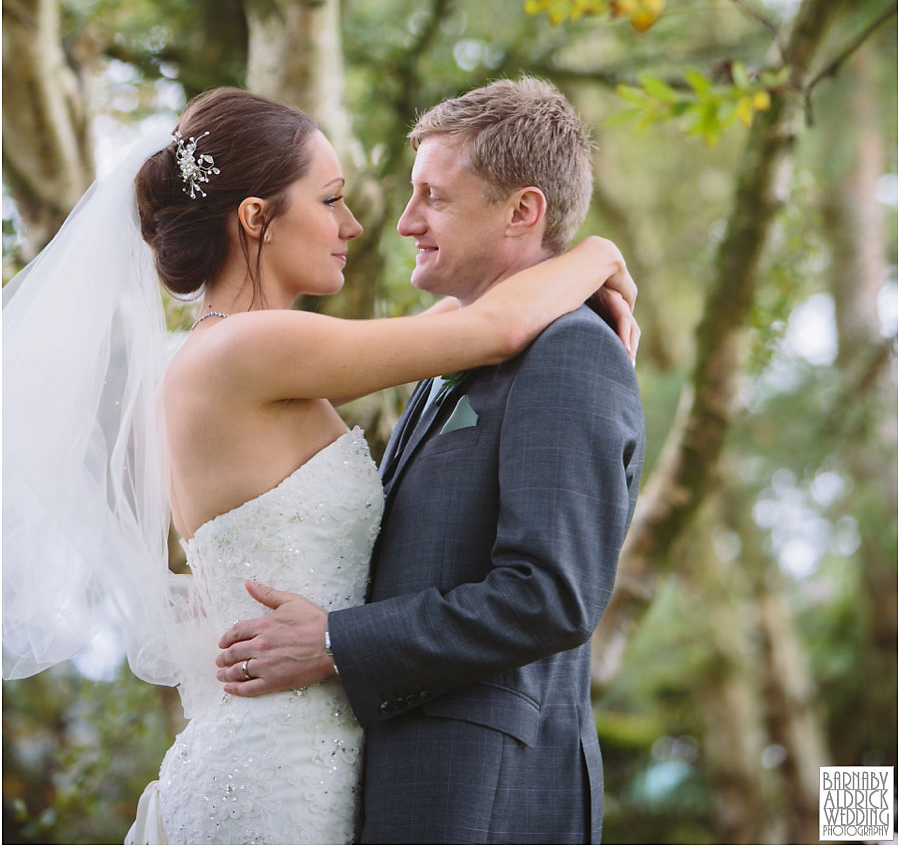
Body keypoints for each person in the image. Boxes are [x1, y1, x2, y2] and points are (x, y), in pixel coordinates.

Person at [2, 86, 637, 847]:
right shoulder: (250, 350)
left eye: (429, 196)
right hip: (278, 778)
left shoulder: (245, 354)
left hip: (324, 764)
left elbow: (477, 322)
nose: (361, 225)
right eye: (330, 199)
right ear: (255, 217)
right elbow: (494, 327)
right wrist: (598, 254)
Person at [214, 77, 645, 845]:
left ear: (523, 211)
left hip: (481, 794)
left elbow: (551, 595)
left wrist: (337, 642)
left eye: (434, 198)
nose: (405, 222)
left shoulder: (572, 352)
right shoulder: (454, 347)